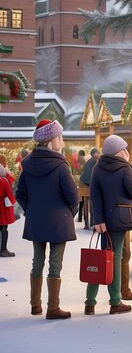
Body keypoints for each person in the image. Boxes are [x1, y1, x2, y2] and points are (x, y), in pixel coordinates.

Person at [16, 119, 79, 319]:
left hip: (37, 220)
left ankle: (35, 305)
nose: (62, 141)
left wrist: (31, 210)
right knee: (55, 263)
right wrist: (69, 212)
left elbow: (20, 193)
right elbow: (72, 195)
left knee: (37, 261)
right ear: (52, 140)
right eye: (60, 137)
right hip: (59, 221)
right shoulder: (60, 166)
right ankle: (53, 308)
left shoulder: (27, 165)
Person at [85, 134, 132, 315]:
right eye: (125, 148)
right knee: (115, 258)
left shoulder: (98, 168)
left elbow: (95, 195)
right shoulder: (124, 168)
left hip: (104, 221)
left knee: (102, 258)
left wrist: (98, 220)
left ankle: (90, 302)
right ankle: (115, 302)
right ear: (120, 151)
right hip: (120, 219)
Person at [78, 148, 100, 225]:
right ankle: (90, 221)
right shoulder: (94, 162)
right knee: (90, 202)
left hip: (84, 184)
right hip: (88, 185)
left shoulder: (90, 161)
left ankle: (87, 221)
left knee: (84, 202)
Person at [0, 164, 16, 257]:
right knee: (3, 227)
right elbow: (9, 194)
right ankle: (3, 249)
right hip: (2, 208)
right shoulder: (3, 181)